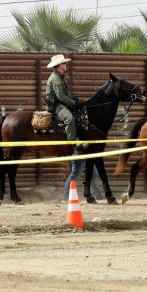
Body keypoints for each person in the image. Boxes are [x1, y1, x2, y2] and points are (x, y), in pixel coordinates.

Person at [45, 54, 88, 200]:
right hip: (56, 106)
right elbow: (60, 97)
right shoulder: (56, 77)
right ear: (59, 66)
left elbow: (66, 94)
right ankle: (73, 142)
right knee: (69, 119)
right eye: (64, 64)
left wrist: (73, 99)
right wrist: (73, 102)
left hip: (62, 103)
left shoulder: (61, 76)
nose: (66, 66)